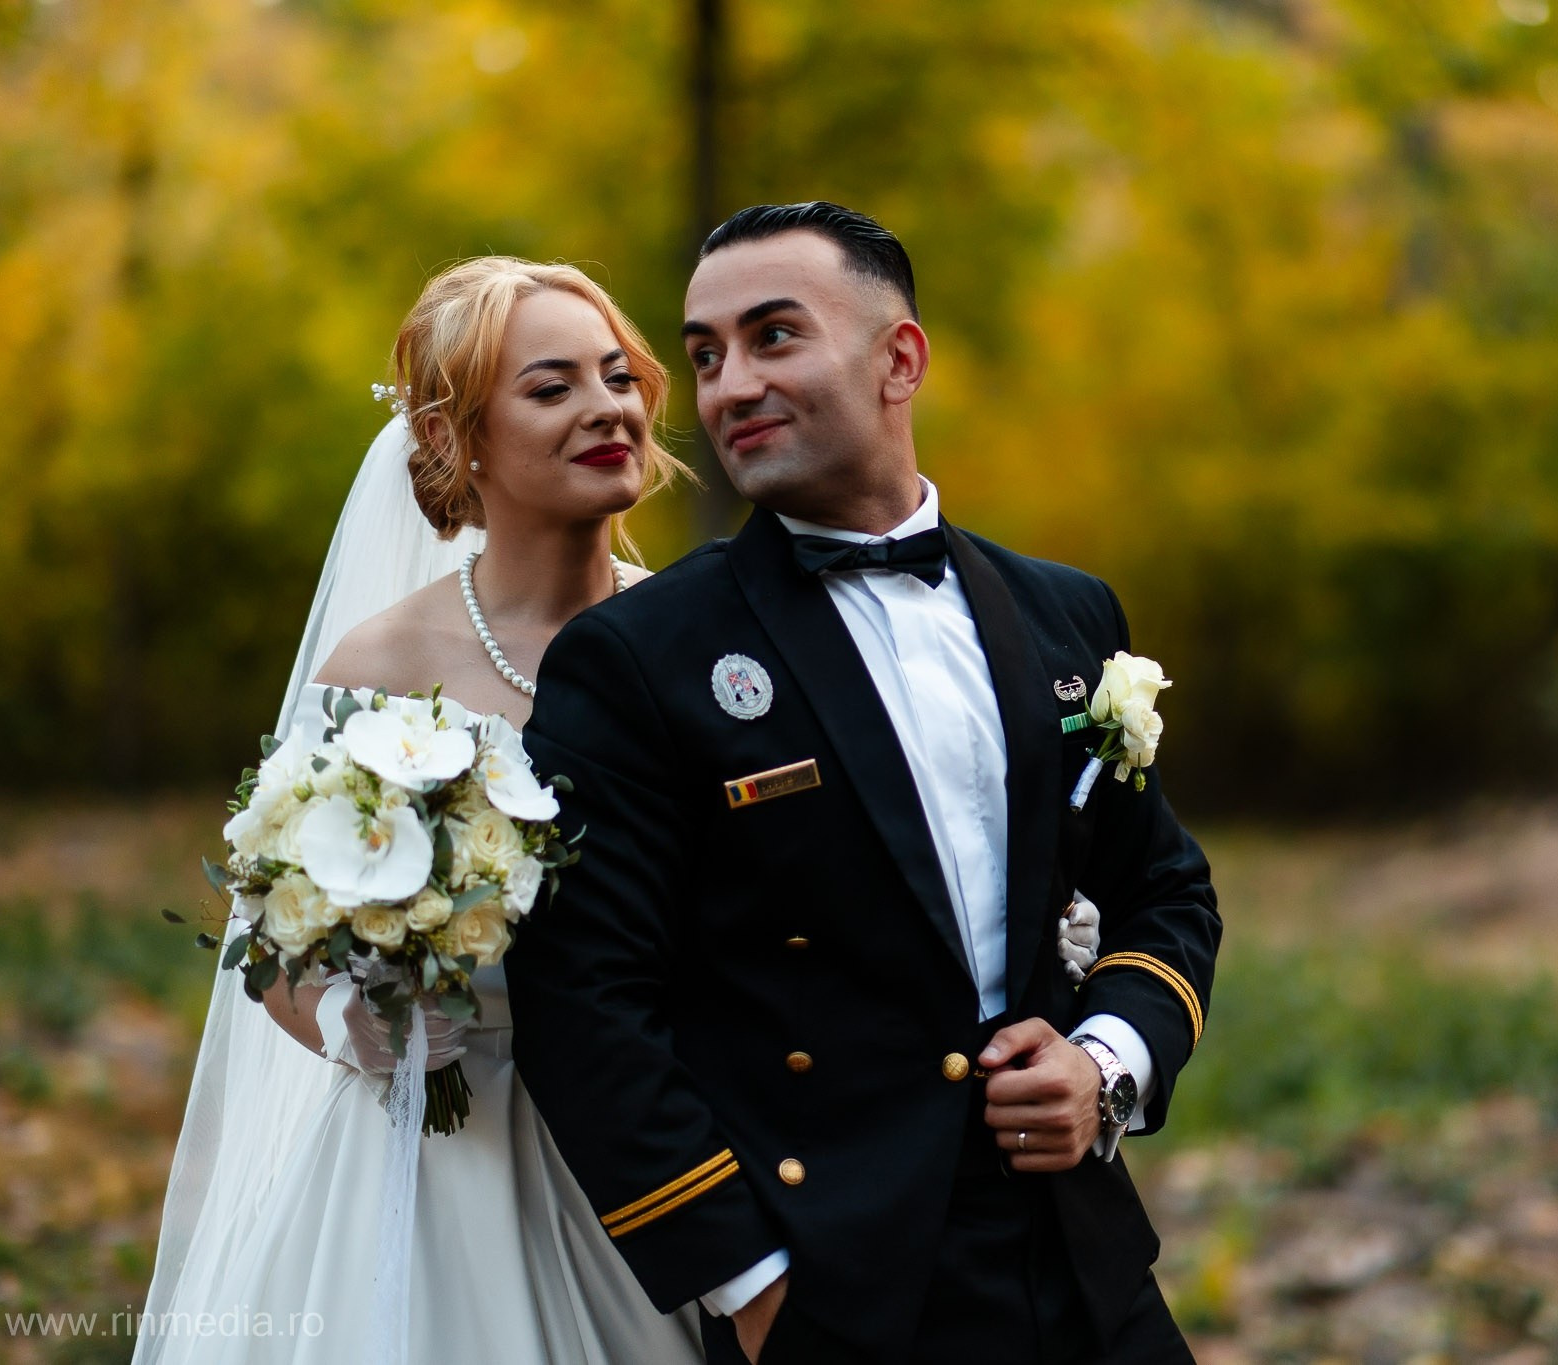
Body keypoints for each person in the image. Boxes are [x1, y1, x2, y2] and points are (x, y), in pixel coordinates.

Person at [508, 202, 1221, 1365]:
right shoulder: (638, 657)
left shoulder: (1065, 613)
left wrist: (1102, 1066)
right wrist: (746, 1286)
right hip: (830, 1280)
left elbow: (1163, 892)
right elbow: (580, 1000)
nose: (728, 385)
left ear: (900, 360)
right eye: (703, 355)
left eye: (773, 336)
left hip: (1080, 1256)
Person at [136, 257, 704, 1364]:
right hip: (439, 1153)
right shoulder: (382, 664)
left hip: (657, 1152)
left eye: (617, 377)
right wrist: (354, 1027)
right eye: (551, 388)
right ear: (460, 440)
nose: (607, 408)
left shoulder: (699, 639)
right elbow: (276, 926)